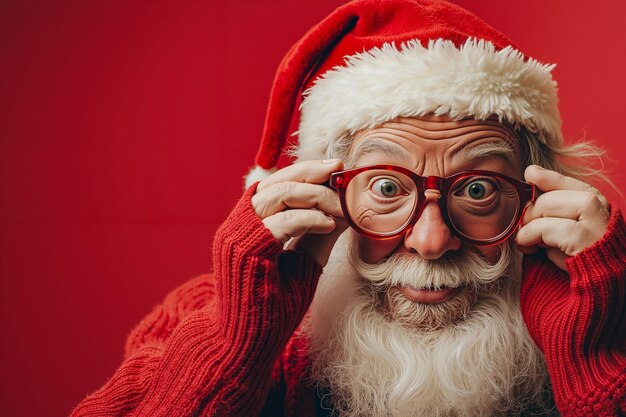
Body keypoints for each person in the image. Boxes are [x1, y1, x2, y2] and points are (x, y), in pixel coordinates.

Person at [71, 0, 626, 416]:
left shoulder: (604, 306)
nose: (431, 241)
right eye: (386, 188)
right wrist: (237, 343)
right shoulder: (211, 314)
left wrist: (594, 358)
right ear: (324, 194)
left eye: (477, 190)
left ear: (536, 200)